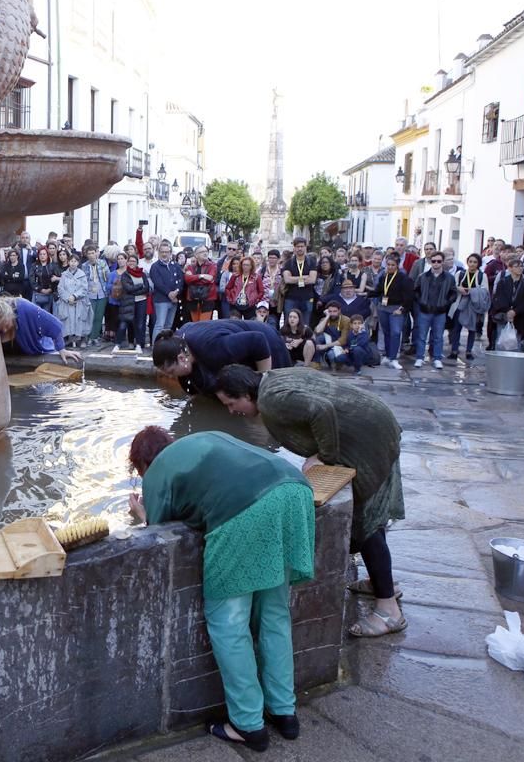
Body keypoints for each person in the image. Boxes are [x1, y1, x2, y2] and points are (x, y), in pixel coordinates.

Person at [127, 428, 314, 752]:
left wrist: (141, 514)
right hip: (294, 490)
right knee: (273, 614)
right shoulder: (202, 439)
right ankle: (284, 711)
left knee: (229, 623)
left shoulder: (155, 471)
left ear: (141, 463)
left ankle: (248, 724)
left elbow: (157, 533)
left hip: (246, 508)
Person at [213, 365, 407, 639]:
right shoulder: (273, 379)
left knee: (366, 524)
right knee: (368, 518)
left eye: (232, 403)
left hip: (369, 436)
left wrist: (325, 456)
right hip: (374, 423)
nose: (232, 411)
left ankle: (389, 611)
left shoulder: (271, 400)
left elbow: (320, 409)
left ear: (246, 392)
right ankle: (381, 584)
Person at [152, 320, 290, 395]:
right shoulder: (177, 343)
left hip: (268, 343)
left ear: (182, 358)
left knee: (273, 394)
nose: (170, 377)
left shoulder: (212, 347)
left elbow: (258, 340)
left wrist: (262, 384)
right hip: (238, 344)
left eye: (170, 372)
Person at [0, 296, 82, 365]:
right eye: (0, 328)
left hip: (35, 351)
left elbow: (54, 325)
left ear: (12, 316)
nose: (4, 330)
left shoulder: (26, 309)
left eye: (6, 325)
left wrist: (62, 349)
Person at [411, 252, 456, 369]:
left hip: (440, 311)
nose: (436, 263)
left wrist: (446, 304)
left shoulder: (449, 278)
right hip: (425, 310)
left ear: (443, 262)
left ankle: (437, 358)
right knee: (421, 336)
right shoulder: (423, 276)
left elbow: (453, 293)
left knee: (438, 336)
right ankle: (419, 358)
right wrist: (421, 302)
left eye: (439, 261)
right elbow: (416, 291)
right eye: (434, 261)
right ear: (430, 262)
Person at [371, 253, 413, 370]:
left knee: (395, 333)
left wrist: (402, 309)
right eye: (388, 265)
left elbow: (409, 296)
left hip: (396, 309)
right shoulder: (384, 276)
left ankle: (394, 358)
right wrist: (364, 294)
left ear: (397, 265)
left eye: (392, 265)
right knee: (387, 332)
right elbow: (378, 291)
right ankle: (388, 356)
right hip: (383, 308)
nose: (390, 267)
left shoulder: (404, 278)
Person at [447, 253, 488, 364]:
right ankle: (454, 350)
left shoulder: (481, 275)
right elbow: (453, 286)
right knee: (456, 327)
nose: (472, 264)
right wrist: (459, 288)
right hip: (460, 303)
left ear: (478, 263)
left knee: (472, 328)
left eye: (475, 262)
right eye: (470, 261)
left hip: (473, 305)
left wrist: (473, 291)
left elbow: (485, 291)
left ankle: (469, 351)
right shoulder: (460, 273)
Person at [492, 257, 524, 350]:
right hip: (504, 314)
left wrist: (515, 311)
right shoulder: (503, 281)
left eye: (521, 266)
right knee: (501, 340)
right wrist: (508, 310)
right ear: (510, 268)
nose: (520, 268)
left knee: (516, 342)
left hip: (520, 316)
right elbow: (499, 298)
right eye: (516, 266)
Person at [54, 253, 91, 349]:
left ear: (78, 263)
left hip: (79, 301)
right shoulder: (64, 275)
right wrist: (67, 298)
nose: (73, 263)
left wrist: (75, 296)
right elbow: (60, 288)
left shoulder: (82, 275)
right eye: (71, 261)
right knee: (68, 320)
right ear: (68, 262)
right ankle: (69, 339)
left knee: (80, 320)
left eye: (75, 261)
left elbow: (84, 288)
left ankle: (82, 339)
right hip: (67, 302)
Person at [149, 241, 184, 342]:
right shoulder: (155, 266)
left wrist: (177, 292)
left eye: (167, 252)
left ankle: (165, 346)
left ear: (170, 253)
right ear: (159, 252)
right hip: (161, 300)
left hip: (174, 300)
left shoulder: (175, 266)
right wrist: (169, 294)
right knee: (160, 324)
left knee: (169, 325)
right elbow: (158, 283)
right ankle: (156, 346)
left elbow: (181, 280)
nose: (164, 254)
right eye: (162, 252)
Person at [281, 237, 318, 326]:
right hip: (291, 297)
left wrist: (294, 278)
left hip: (307, 297)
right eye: (297, 246)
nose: (300, 248)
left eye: (302, 246)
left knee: (305, 323)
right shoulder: (288, 263)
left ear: (305, 247)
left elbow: (312, 279)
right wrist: (305, 277)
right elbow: (287, 280)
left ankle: (303, 339)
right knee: (289, 323)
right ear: (294, 248)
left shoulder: (311, 262)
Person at [116, 253, 149, 351]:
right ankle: (120, 344)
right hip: (129, 302)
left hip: (141, 301)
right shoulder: (125, 275)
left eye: (134, 261)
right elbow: (128, 288)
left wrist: (134, 290)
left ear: (137, 263)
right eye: (130, 261)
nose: (131, 263)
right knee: (126, 323)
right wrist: (139, 287)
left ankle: (138, 344)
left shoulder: (142, 274)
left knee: (140, 324)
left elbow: (146, 288)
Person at [184, 246, 219, 322]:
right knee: (195, 324)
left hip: (208, 298)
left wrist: (193, 278)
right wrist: (201, 276)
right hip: (193, 298)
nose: (205, 253)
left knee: (204, 324)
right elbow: (187, 279)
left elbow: (209, 279)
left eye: (206, 251)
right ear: (196, 255)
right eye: (202, 252)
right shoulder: (190, 267)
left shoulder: (213, 265)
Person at [226, 256, 264, 320]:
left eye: (247, 265)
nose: (245, 267)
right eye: (244, 265)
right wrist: (230, 298)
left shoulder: (256, 277)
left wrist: (256, 300)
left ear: (251, 266)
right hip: (235, 304)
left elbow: (261, 291)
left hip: (250, 305)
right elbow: (228, 288)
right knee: (235, 322)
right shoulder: (235, 276)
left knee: (250, 324)